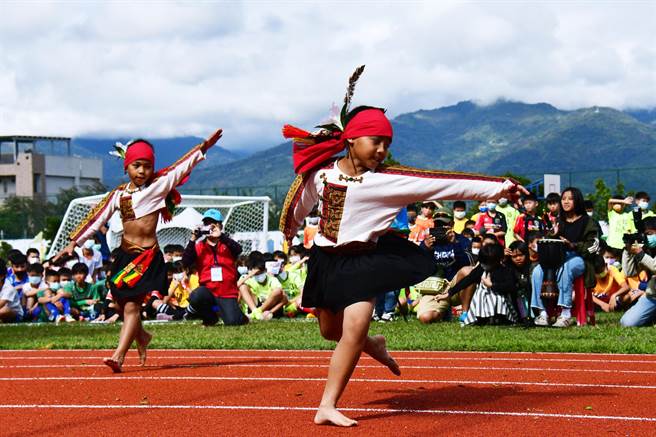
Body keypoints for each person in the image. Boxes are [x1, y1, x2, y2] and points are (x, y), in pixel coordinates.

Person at [279, 66, 524, 427]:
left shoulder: (389, 181)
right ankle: (373, 345)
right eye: (375, 141)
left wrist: (500, 187)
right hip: (325, 261)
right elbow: (300, 202)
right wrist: (290, 228)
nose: (381, 150)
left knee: (354, 326)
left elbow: (446, 185)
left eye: (387, 144)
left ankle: (327, 404)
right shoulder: (323, 174)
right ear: (351, 140)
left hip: (364, 262)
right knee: (331, 331)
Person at [54, 130, 224, 372]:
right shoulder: (118, 195)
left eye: (146, 166)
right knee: (123, 306)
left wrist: (202, 149)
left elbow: (180, 167)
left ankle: (119, 356)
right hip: (125, 256)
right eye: (136, 165)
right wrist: (74, 241)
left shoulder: (158, 186)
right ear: (127, 167)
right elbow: (96, 217)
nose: (142, 171)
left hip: (147, 257)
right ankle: (142, 336)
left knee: (133, 307)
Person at [531, 187, 598, 328]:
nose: (566, 201)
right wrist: (552, 234)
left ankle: (565, 313)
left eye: (570, 198)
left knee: (565, 268)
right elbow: (551, 243)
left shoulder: (588, 222)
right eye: (563, 199)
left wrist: (573, 245)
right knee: (537, 271)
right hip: (558, 258)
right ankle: (543, 313)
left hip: (579, 259)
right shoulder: (559, 221)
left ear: (577, 201)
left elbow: (592, 247)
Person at [183, 208, 248, 326]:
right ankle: (210, 318)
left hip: (227, 292)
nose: (210, 226)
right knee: (196, 296)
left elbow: (238, 249)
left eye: (214, 223)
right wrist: (193, 238)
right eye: (207, 223)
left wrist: (221, 236)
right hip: (208, 291)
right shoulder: (199, 246)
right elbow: (185, 262)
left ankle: (240, 316)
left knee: (233, 322)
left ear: (220, 226)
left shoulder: (227, 243)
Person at [416, 209, 473, 324]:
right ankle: (444, 311)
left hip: (456, 286)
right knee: (425, 318)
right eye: (437, 225)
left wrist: (454, 244)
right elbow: (419, 266)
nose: (440, 227)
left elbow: (468, 264)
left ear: (452, 225)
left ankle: (465, 314)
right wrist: (426, 249)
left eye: (444, 225)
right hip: (435, 287)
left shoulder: (462, 240)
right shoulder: (428, 241)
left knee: (468, 271)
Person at [619, 217, 656, 326]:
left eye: (650, 233)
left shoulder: (643, 252)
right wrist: (628, 251)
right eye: (645, 234)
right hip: (653, 296)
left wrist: (640, 254)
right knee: (627, 322)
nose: (647, 237)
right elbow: (629, 272)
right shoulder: (646, 249)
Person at [0, 257, 24, 324]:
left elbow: (1, 304)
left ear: (1, 276)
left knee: (3, 310)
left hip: (15, 315)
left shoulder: (8, 288)